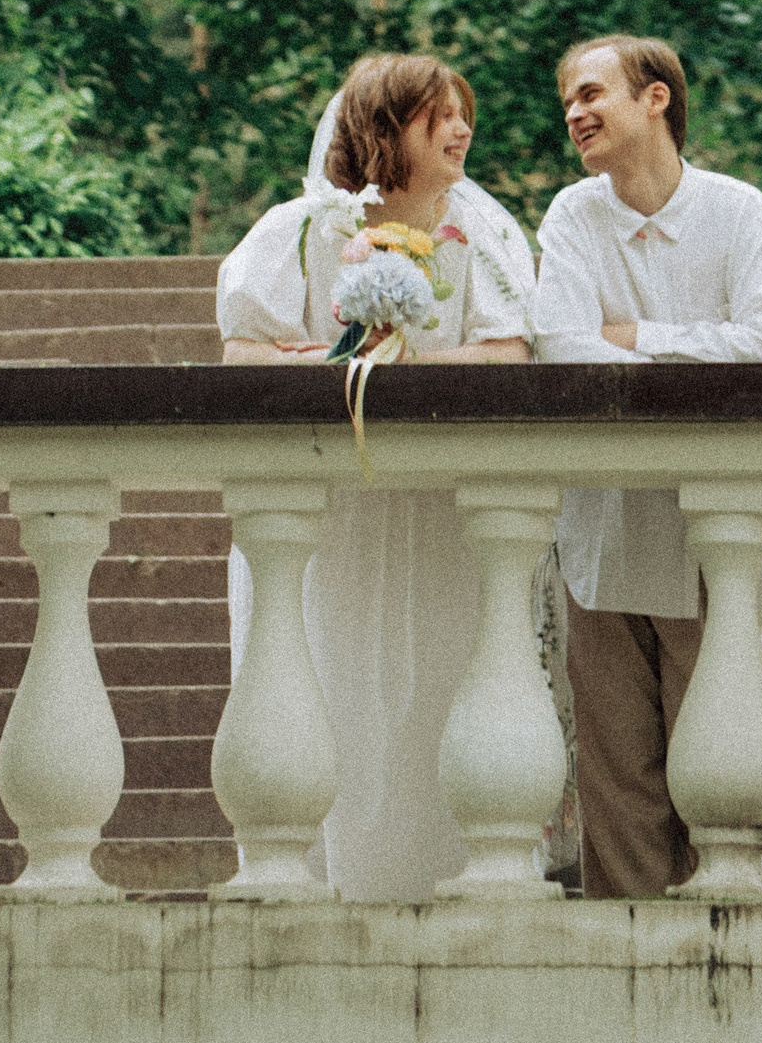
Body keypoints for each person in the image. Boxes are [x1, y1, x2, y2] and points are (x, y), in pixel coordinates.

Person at [214, 51, 535, 898]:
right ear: (385, 126)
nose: (463, 129)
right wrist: (337, 362)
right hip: (330, 519)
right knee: (328, 684)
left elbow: (509, 352)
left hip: (445, 516)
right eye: (440, 117)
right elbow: (243, 350)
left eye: (465, 113)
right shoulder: (299, 229)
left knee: (442, 690)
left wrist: (403, 370)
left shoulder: (488, 232)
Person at [531, 33, 762, 898]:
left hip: (708, 538)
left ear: (656, 99)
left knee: (716, 783)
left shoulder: (738, 212)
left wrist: (635, 336)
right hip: (602, 538)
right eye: (569, 100)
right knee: (618, 789)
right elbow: (563, 349)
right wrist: (693, 357)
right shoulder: (573, 215)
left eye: (591, 92)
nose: (574, 112)